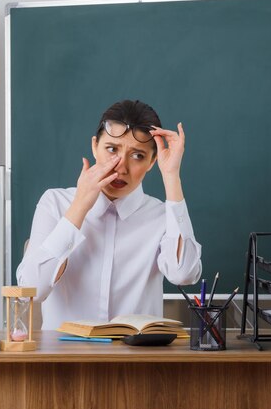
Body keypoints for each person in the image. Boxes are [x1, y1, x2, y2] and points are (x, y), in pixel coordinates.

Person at [16, 100, 202, 330]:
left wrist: (172, 176)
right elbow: (30, 291)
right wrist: (81, 205)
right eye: (112, 149)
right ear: (95, 147)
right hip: (64, 357)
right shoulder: (55, 203)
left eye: (138, 156)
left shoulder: (162, 215)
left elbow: (184, 274)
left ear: (153, 161)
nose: (121, 167)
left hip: (135, 358)